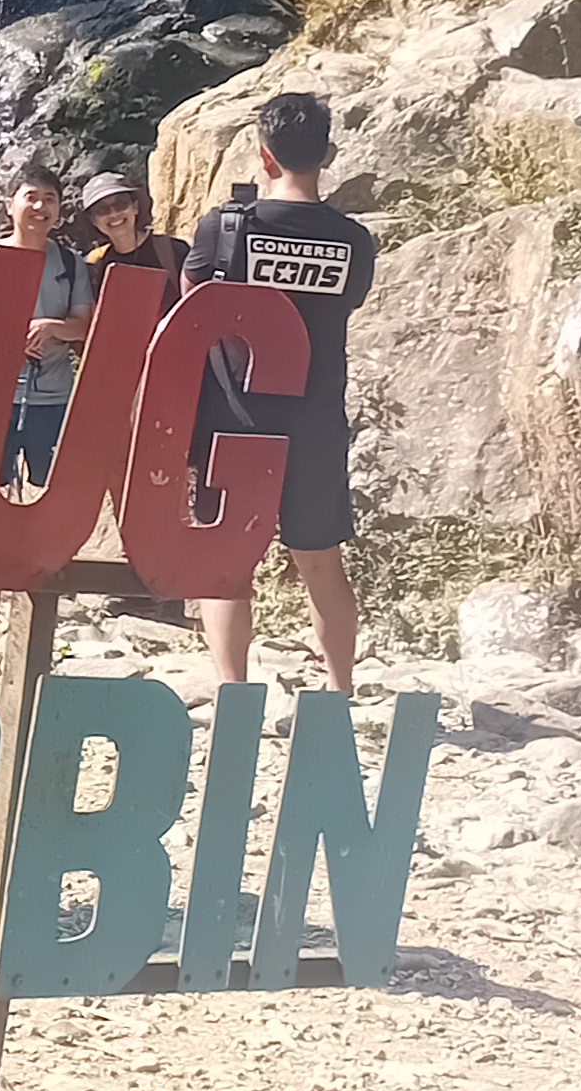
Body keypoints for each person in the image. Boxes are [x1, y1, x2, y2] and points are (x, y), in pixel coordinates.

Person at [183, 86, 377, 698]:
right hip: (315, 423)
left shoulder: (225, 228)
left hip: (235, 420)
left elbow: (190, 314)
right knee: (320, 561)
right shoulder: (354, 241)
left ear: (264, 156)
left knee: (225, 561)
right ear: (327, 155)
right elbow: (344, 306)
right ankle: (339, 693)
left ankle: (234, 694)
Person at [0, 164, 91, 487]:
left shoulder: (71, 264)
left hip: (54, 397)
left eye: (49, 199)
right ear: (9, 205)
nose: (40, 206)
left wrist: (52, 327)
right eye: (31, 197)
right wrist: (6, 336)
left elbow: (83, 327)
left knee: (53, 486)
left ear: (59, 210)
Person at [79, 169, 184, 296]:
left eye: (121, 203)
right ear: (93, 220)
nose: (113, 213)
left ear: (135, 207)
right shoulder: (95, 267)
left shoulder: (174, 251)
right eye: (102, 209)